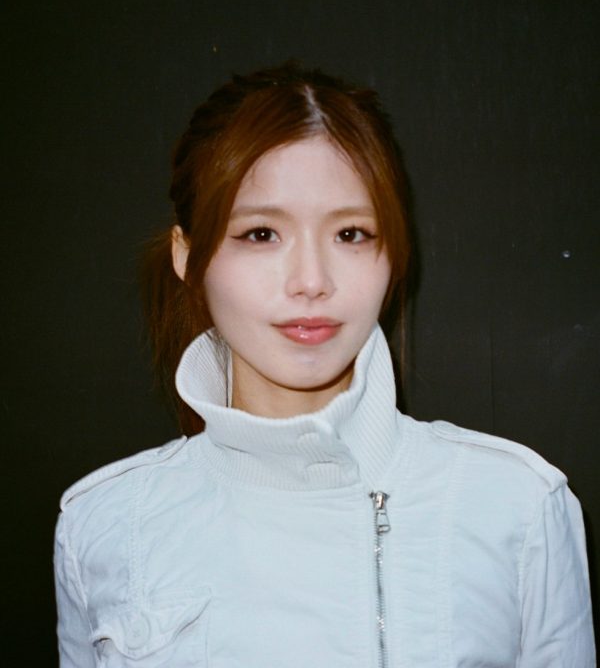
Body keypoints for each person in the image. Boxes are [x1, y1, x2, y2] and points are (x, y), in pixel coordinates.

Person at [54, 63, 595, 667]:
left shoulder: (517, 506)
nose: (311, 281)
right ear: (187, 256)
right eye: (261, 234)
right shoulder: (104, 524)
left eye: (352, 234)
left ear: (395, 253)